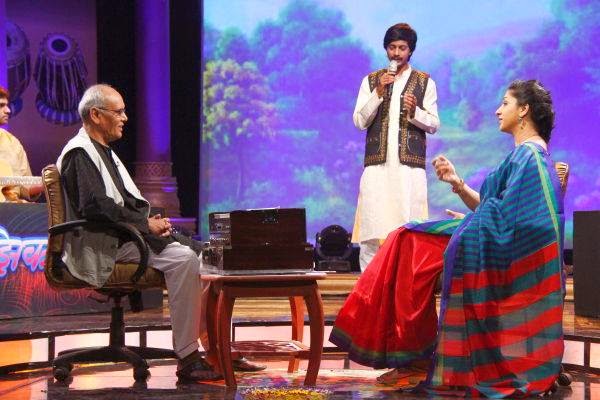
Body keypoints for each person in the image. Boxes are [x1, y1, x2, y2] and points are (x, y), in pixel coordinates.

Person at [331, 80, 564, 397]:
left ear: (524, 110)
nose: (498, 110)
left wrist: (472, 223)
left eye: (505, 103)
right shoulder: (523, 156)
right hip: (486, 238)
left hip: (498, 254)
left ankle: (413, 356)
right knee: (405, 239)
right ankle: (410, 355)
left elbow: (520, 226)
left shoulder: (530, 157)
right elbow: (497, 209)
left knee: (407, 241)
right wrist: (458, 184)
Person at [56, 84, 263, 381]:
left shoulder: (104, 152)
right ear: (96, 115)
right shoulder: (80, 153)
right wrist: (145, 225)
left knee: (207, 256)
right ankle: (189, 358)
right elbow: (95, 207)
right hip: (103, 243)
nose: (125, 118)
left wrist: (148, 220)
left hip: (123, 235)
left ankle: (214, 348)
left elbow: (120, 203)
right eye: (119, 112)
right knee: (184, 260)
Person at [352, 23, 440, 271]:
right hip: (377, 170)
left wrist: (415, 112)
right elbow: (359, 121)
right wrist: (378, 93)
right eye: (392, 47)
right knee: (372, 233)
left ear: (410, 50)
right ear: (386, 49)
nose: (397, 53)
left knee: (408, 233)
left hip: (408, 172)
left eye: (402, 48)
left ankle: (403, 289)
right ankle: (370, 288)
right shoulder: (371, 81)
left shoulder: (424, 82)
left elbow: (434, 124)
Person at [0, 86, 41, 202]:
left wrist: (46, 183)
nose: (8, 110)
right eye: (1, 105)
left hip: (11, 210)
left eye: (7, 105)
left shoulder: (12, 142)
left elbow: (26, 187)